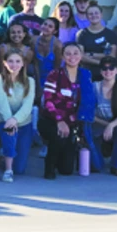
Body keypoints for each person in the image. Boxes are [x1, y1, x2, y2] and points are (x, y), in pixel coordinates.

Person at [40, 43, 96, 178]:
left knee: (66, 170)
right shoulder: (54, 74)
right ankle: (49, 166)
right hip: (51, 119)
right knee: (58, 135)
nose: (72, 57)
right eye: (68, 53)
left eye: (76, 53)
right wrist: (59, 120)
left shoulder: (85, 75)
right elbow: (48, 101)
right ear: (63, 56)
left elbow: (88, 101)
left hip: (73, 122)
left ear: (81, 56)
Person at [0, 48, 35, 181]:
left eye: (18, 61)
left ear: (23, 63)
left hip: (24, 124)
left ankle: (3, 157)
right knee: (9, 132)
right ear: (4, 63)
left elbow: (28, 106)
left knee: (20, 169)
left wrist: (15, 119)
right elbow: (1, 103)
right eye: (10, 61)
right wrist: (10, 121)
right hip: (4, 122)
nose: (14, 64)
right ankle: (8, 170)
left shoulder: (30, 81)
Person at [88, 58, 117, 177]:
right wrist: (107, 126)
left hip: (115, 126)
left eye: (111, 68)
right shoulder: (93, 87)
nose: (108, 71)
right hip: (95, 128)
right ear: (101, 71)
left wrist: (111, 126)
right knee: (97, 167)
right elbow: (89, 115)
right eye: (104, 68)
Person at [75, 1, 117, 74]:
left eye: (96, 13)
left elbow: (112, 56)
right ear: (87, 16)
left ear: (101, 15)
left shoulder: (110, 34)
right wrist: (100, 62)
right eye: (90, 14)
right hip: (86, 73)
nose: (93, 15)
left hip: (106, 73)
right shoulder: (82, 34)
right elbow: (81, 57)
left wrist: (91, 54)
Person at [31, 17, 63, 93]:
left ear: (55, 31)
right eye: (45, 24)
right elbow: (35, 64)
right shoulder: (33, 40)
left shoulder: (57, 45)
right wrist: (38, 85)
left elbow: (57, 67)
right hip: (36, 75)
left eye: (50, 26)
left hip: (52, 77)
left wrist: (52, 84)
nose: (46, 27)